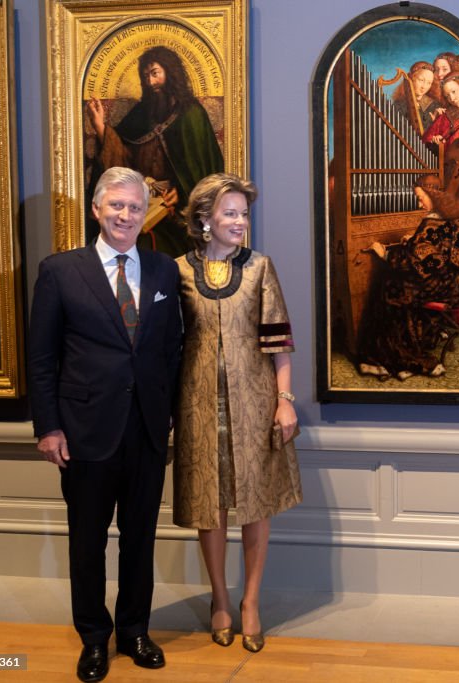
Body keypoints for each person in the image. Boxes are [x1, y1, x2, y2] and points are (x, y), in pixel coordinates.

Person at [29, 167, 182, 682]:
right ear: (96, 209)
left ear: (145, 213)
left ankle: (135, 631)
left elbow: (171, 352)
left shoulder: (164, 272)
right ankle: (94, 638)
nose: (125, 215)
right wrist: (49, 427)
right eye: (115, 205)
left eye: (134, 207)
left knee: (140, 537)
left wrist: (173, 421)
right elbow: (43, 358)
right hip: (83, 431)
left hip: (146, 431)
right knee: (86, 541)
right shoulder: (59, 271)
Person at [172, 173, 301, 654]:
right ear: (204, 219)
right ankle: (220, 599)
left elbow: (279, 343)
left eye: (244, 214)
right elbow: (168, 345)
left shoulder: (261, 267)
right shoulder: (177, 272)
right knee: (211, 501)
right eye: (230, 213)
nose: (240, 222)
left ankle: (250, 601)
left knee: (255, 502)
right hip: (197, 403)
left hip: (255, 402)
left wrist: (284, 401)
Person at [86, 46, 224, 256]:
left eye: (155, 73)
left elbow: (207, 172)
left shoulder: (191, 114)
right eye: (145, 76)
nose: (150, 82)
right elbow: (123, 157)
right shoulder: (142, 113)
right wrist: (101, 128)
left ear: (170, 72)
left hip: (178, 216)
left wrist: (183, 192)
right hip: (141, 205)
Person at [358, 174, 459, 380]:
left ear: (433, 194)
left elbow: (415, 262)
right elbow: (439, 250)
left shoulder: (431, 223)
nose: (418, 201)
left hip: (446, 288)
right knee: (404, 287)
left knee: (391, 288)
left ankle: (400, 356)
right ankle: (422, 337)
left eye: (420, 197)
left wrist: (384, 252)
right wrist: (414, 241)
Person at [423, 71, 459, 233]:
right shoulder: (445, 117)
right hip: (447, 175)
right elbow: (425, 140)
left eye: (454, 91)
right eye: (448, 95)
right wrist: (435, 142)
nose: (452, 98)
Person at [391, 60, 441, 133]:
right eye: (421, 80)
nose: (424, 86)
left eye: (429, 83)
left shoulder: (434, 105)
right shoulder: (399, 104)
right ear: (412, 79)